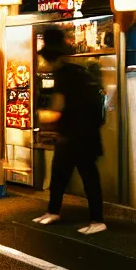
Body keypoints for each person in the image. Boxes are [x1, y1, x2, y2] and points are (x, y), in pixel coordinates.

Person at [33, 27, 107, 235]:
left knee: (75, 176)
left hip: (76, 136)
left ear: (50, 57)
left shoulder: (63, 76)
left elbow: (57, 108)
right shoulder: (78, 72)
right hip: (85, 135)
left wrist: (41, 116)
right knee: (70, 175)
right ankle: (55, 212)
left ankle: (96, 220)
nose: (42, 63)